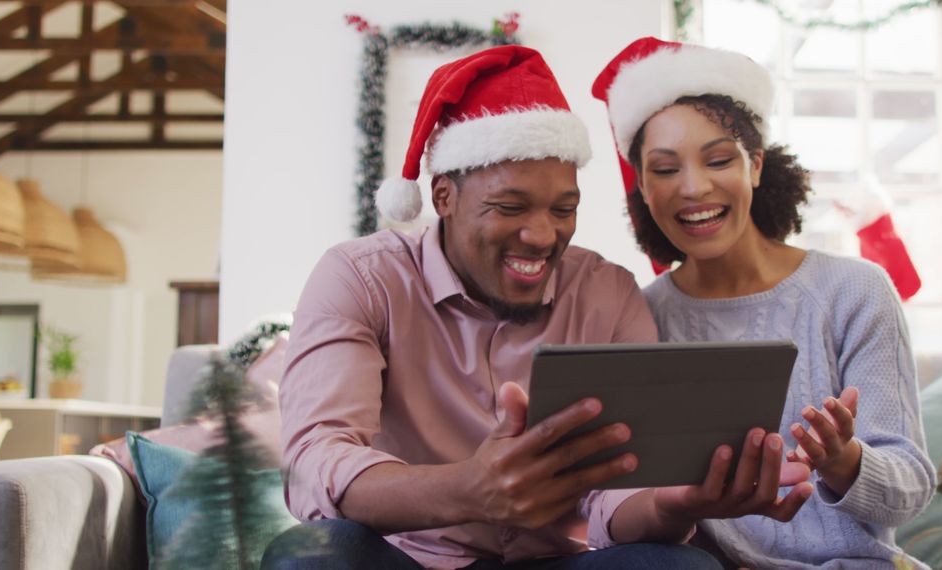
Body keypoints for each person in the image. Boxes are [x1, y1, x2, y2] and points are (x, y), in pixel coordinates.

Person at [263, 45, 811, 570]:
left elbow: (618, 498)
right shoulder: (362, 278)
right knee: (314, 553)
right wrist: (465, 491)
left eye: (563, 208)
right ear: (443, 197)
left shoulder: (608, 293)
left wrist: (679, 502)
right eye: (510, 207)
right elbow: (316, 459)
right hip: (411, 556)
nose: (542, 235)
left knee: (680, 564)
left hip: (557, 559)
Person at [591, 37, 937, 569]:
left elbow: (910, 492)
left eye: (718, 159)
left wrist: (843, 461)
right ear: (642, 187)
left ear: (754, 164)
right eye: (664, 169)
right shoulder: (641, 317)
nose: (693, 187)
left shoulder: (854, 291)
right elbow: (623, 507)